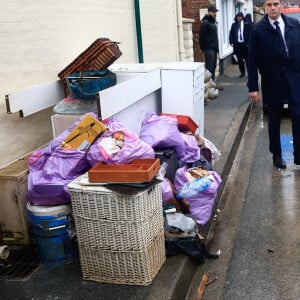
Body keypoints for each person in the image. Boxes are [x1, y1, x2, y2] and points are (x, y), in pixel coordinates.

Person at [248, 0, 300, 168]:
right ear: (264, 6)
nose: (272, 8)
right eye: (269, 4)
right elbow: (252, 59)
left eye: (275, 4)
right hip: (272, 80)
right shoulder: (257, 29)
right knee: (275, 119)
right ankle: (277, 155)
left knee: (298, 116)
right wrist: (253, 87)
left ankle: (298, 155)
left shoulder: (294, 24)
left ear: (281, 5)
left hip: (294, 79)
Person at [199, 6, 219, 81]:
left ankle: (212, 85)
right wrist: (203, 48)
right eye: (213, 12)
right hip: (208, 48)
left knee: (213, 67)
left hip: (214, 48)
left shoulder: (212, 22)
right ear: (209, 12)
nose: (215, 13)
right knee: (209, 68)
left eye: (215, 12)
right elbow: (201, 36)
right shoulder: (205, 22)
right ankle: (209, 87)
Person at [229, 12, 252, 78]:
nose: (239, 18)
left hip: (245, 45)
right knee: (240, 60)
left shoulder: (246, 24)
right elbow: (231, 34)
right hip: (237, 45)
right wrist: (231, 42)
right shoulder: (234, 25)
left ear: (242, 17)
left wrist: (250, 43)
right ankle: (242, 73)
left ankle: (249, 73)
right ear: (236, 17)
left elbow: (250, 33)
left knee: (248, 60)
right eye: (237, 16)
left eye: (240, 16)